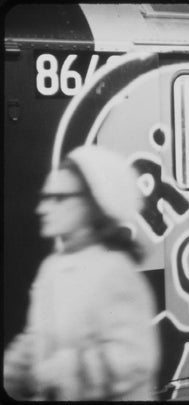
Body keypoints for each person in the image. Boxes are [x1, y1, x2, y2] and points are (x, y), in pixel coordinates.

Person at [3, 145, 160, 400]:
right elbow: (41, 336)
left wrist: (70, 371)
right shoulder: (51, 267)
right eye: (45, 197)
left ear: (93, 204)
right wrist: (18, 367)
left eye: (59, 197)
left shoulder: (116, 271)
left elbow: (135, 360)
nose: (43, 208)